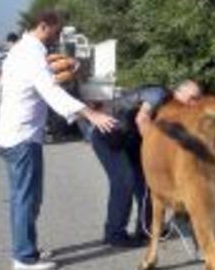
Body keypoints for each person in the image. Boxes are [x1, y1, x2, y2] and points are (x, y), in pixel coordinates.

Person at [0, 10, 116, 270]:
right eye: (57, 31)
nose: (58, 37)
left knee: (26, 198)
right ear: (43, 26)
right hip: (21, 138)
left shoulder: (23, 50)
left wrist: (65, 68)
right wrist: (90, 113)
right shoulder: (31, 53)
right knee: (26, 199)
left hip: (14, 135)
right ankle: (24, 257)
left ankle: (26, 247)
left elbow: (41, 78)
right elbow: (50, 91)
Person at [85, 80, 202, 248]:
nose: (195, 103)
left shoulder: (179, 111)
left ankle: (146, 230)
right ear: (178, 91)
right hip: (110, 137)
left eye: (198, 99)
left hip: (133, 142)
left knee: (149, 184)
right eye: (192, 98)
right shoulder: (159, 94)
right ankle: (114, 234)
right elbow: (142, 119)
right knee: (124, 180)